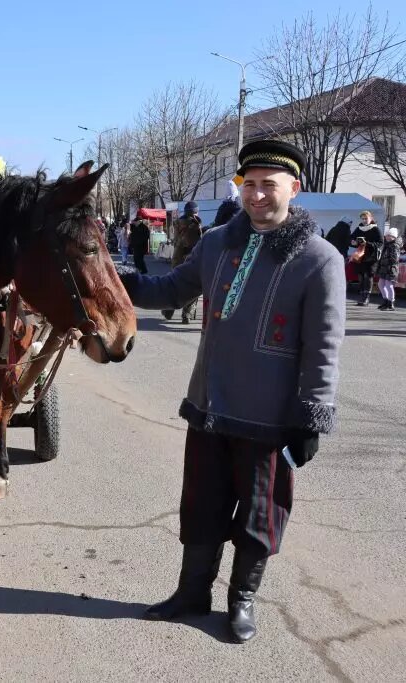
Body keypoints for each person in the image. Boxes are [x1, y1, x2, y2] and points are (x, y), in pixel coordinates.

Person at [119, 140, 346, 643]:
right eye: (250, 184)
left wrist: (313, 415)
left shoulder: (319, 258)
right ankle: (191, 593)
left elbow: (324, 345)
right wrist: (116, 280)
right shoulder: (218, 241)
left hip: (271, 420)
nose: (258, 194)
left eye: (270, 184)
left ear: (295, 188)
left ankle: (240, 601)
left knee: (260, 517)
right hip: (209, 408)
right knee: (200, 506)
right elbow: (172, 289)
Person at [162, 201, 204, 324]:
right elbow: (196, 243)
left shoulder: (177, 223)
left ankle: (168, 310)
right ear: (195, 211)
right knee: (193, 287)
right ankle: (187, 314)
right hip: (191, 259)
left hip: (177, 259)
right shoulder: (194, 225)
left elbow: (175, 240)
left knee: (175, 284)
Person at [350, 210, 383, 305]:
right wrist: (353, 242)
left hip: (371, 256)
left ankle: (366, 298)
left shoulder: (375, 229)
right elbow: (351, 238)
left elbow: (380, 243)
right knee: (360, 276)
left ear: (371, 218)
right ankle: (361, 296)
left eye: (366, 218)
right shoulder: (359, 228)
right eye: (363, 219)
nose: (364, 220)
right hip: (360, 256)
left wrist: (367, 243)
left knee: (368, 276)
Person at [376, 227, 402, 311]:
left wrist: (386, 262)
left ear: (394, 237)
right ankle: (385, 301)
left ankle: (391, 303)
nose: (387, 237)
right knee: (380, 284)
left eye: (389, 236)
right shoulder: (387, 244)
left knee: (388, 285)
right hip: (384, 267)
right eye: (386, 235)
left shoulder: (394, 245)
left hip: (391, 268)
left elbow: (394, 259)